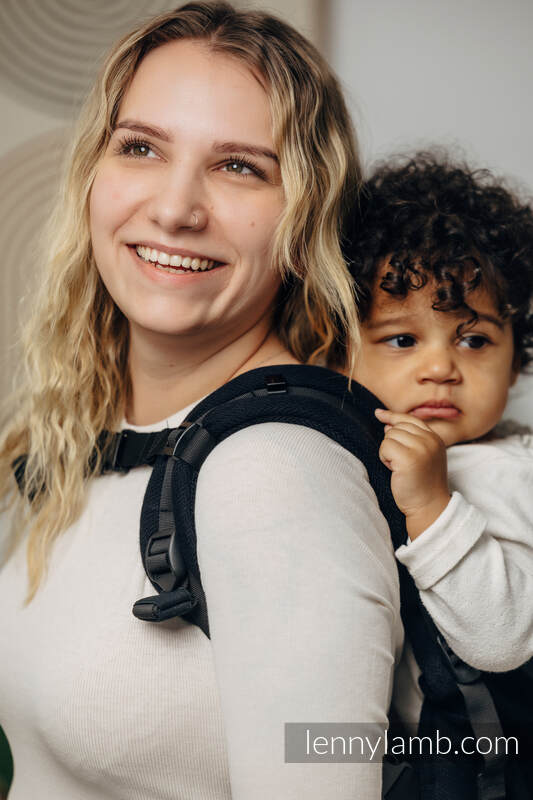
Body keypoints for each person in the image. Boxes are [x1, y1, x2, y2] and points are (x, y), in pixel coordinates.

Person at [0, 3, 402, 798]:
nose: (175, 209)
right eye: (141, 147)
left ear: (305, 217)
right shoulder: (103, 435)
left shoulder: (275, 475)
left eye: (239, 166)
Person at [348, 151, 533, 721]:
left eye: (473, 340)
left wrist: (432, 505)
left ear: (515, 361)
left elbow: (503, 639)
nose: (441, 369)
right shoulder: (349, 450)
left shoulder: (509, 473)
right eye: (403, 340)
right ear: (340, 353)